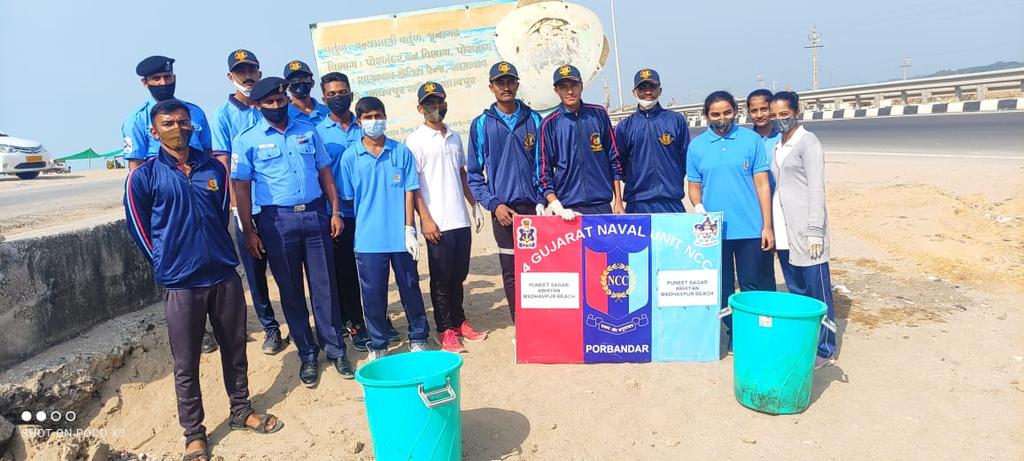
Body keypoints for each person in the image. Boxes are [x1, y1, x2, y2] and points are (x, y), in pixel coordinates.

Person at [124, 99, 282, 461]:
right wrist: (166, 264)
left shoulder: (213, 168)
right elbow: (139, 227)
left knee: (235, 349)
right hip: (181, 284)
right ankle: (194, 433)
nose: (177, 128)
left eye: (183, 122)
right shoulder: (143, 176)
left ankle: (241, 410)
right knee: (186, 362)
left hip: (224, 275)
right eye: (168, 123)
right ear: (154, 131)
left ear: (192, 126)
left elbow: (218, 212)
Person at [231, 77, 353, 387]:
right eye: (269, 102)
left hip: (315, 216)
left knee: (325, 287)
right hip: (276, 221)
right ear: (258, 105)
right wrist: (249, 230)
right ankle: (307, 354)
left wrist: (334, 210)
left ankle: (335, 349)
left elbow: (325, 172)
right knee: (291, 292)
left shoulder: (307, 130)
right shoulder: (247, 140)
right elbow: (241, 187)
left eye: (280, 99)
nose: (276, 106)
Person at [338, 96, 430, 361]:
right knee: (373, 294)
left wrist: (410, 228)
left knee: (410, 287)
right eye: (368, 118)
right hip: (368, 239)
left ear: (385, 118)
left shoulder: (400, 151)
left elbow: (410, 191)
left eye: (378, 116)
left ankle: (419, 336)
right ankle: (377, 343)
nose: (374, 122)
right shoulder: (349, 158)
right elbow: (347, 196)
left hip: (401, 237)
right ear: (359, 122)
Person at [210, 49, 288, 355]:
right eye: (241, 71)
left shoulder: (273, 104)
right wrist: (237, 211)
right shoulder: (223, 115)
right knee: (256, 273)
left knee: (289, 269)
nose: (248, 75)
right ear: (231, 76)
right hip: (247, 207)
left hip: (277, 206)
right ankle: (270, 327)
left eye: (252, 68)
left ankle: (298, 324)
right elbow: (224, 163)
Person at [686, 91, 775, 348]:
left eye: (726, 112)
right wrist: (699, 206)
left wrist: (767, 226)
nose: (721, 118)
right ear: (706, 116)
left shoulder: (751, 140)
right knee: (723, 286)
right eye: (715, 114)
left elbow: (762, 185)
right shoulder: (697, 146)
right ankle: (733, 332)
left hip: (750, 228)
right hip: (713, 232)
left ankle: (753, 334)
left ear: (735, 111)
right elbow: (694, 186)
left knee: (752, 285)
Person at [406, 82, 487, 353]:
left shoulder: (453, 136)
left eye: (440, 101)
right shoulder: (415, 141)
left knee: (458, 275)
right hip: (436, 221)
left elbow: (461, 173)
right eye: (430, 103)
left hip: (459, 219)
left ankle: (459, 320)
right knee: (441, 279)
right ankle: (445, 330)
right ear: (420, 108)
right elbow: (413, 185)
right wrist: (425, 220)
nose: (437, 107)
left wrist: (473, 204)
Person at [467, 61, 546, 323]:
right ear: (491, 87)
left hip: (534, 209)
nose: (506, 87)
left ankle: (543, 322)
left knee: (539, 267)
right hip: (504, 211)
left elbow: (545, 165)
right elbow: (475, 176)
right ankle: (522, 325)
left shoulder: (534, 119)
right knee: (511, 271)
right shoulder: (481, 125)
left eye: (510, 81)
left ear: (517, 84)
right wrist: (493, 204)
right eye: (500, 82)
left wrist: (543, 199)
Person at [768, 91, 837, 369]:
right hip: (785, 231)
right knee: (796, 290)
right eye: (774, 115)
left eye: (784, 114)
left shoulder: (808, 143)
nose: (778, 119)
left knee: (817, 292)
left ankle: (825, 347)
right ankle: (804, 342)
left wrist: (815, 230)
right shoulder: (778, 144)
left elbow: (817, 189)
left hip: (807, 232)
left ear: (796, 112)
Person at [315, 71, 370, 352]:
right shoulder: (318, 132)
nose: (338, 97)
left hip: (368, 211)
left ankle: (373, 316)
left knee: (371, 270)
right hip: (338, 213)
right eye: (332, 94)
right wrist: (333, 212)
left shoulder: (366, 126)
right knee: (345, 272)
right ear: (324, 99)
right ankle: (355, 324)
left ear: (351, 93)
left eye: (342, 92)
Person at [538, 64, 624, 219]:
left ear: (582, 86)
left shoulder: (598, 114)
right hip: (567, 209)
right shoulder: (549, 124)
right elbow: (544, 172)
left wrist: (618, 201)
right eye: (563, 87)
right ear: (556, 91)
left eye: (574, 85)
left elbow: (614, 160)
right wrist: (556, 206)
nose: (570, 91)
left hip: (601, 205)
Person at [613, 68, 690, 213]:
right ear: (634, 92)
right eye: (642, 88)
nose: (648, 92)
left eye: (652, 87)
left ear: (660, 90)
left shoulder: (676, 120)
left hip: (671, 202)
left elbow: (686, 158)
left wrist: (672, 179)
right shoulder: (624, 127)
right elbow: (618, 165)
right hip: (637, 203)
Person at [121, 55, 212, 170]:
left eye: (167, 77)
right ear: (145, 82)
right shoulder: (137, 120)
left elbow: (208, 151)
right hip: (161, 180)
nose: (163, 83)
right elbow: (135, 164)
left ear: (174, 78)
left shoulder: (195, 112)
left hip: (199, 177)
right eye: (156, 78)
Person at [747, 88, 779, 291]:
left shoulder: (784, 137)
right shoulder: (747, 140)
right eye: (754, 110)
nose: (759, 115)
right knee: (762, 259)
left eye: (764, 109)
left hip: (782, 204)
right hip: (758, 206)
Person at [284, 60, 329, 126]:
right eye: (294, 80)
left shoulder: (328, 112)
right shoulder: (284, 115)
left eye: (304, 78)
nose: (300, 82)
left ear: (312, 82)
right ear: (287, 87)